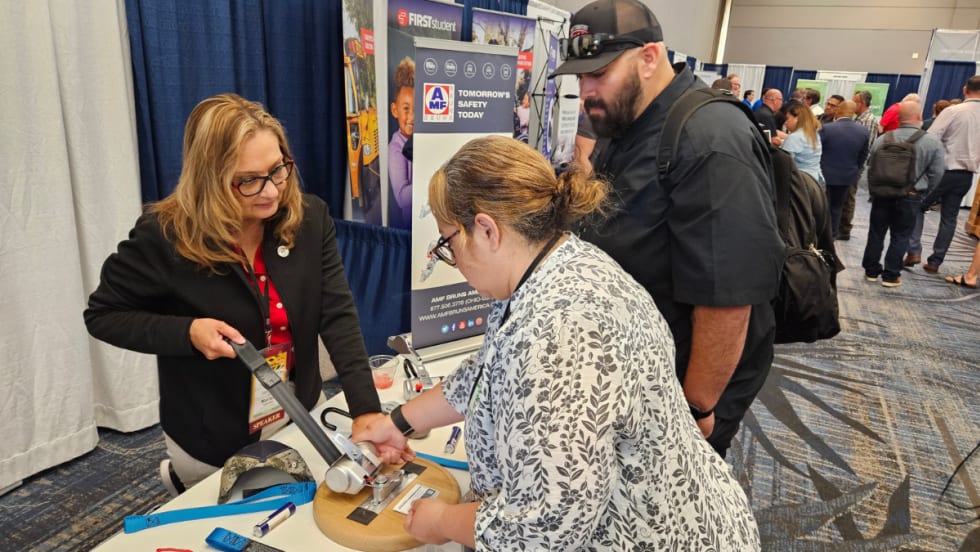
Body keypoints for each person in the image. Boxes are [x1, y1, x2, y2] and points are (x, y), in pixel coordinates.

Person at [363, 135, 761, 550]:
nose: (453, 260)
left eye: (448, 242)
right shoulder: (552, 265)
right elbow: (483, 377)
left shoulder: (556, 333)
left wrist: (442, 520)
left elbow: (544, 526)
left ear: (485, 230)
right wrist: (398, 424)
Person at [84, 94, 383, 493]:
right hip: (211, 430)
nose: (272, 191)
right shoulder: (165, 236)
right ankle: (178, 480)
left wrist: (365, 410)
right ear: (210, 178)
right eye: (248, 180)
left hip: (296, 409)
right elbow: (103, 314)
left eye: (278, 170)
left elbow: (337, 314)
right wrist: (187, 333)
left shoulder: (310, 217)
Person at [549, 0, 784, 458]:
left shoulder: (710, 140)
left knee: (669, 509)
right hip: (638, 366)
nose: (587, 90)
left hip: (686, 386)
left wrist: (694, 409)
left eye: (599, 73)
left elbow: (729, 301)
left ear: (650, 57)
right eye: (580, 77)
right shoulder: (628, 119)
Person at [861, 100, 945, 287]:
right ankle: (891, 276)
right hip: (911, 196)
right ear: (919, 117)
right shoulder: (931, 142)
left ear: (898, 118)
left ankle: (871, 271)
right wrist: (926, 195)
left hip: (881, 195)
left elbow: (871, 166)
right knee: (900, 236)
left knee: (876, 234)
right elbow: (938, 173)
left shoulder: (883, 139)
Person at [920, 75, 980, 275]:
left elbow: (931, 139)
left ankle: (912, 250)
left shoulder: (953, 111)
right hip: (967, 175)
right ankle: (935, 261)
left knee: (918, 207)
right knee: (949, 218)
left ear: (964, 90)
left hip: (943, 171)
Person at [819, 100, 869, 239]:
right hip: (847, 175)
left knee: (823, 206)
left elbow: (818, 151)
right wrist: (854, 169)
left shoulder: (827, 129)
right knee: (838, 207)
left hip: (825, 174)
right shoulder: (863, 131)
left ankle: (821, 235)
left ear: (838, 110)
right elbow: (863, 155)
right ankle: (833, 234)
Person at [388, 56, 415, 230]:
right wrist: (431, 179)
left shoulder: (421, 138)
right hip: (410, 228)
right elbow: (401, 198)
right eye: (406, 109)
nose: (411, 117)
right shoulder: (396, 148)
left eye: (416, 109)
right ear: (395, 110)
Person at [781, 101, 825, 185]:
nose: (785, 122)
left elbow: (784, 164)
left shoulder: (794, 137)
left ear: (797, 118)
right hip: (815, 179)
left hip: (800, 181)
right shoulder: (814, 134)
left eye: (787, 118)